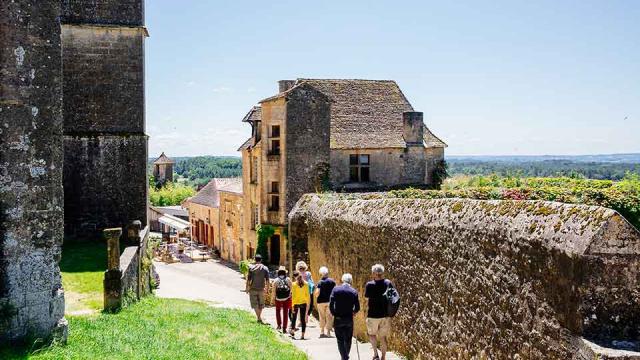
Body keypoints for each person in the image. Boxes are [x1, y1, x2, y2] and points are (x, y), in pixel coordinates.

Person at [365, 264, 393, 360]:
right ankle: (383, 357)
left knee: (372, 334)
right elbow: (392, 297)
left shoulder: (369, 285)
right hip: (385, 315)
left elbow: (367, 299)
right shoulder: (388, 283)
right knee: (383, 337)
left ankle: (376, 354)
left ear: (374, 273)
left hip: (372, 314)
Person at [329, 273, 360, 360]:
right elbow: (357, 307)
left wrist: (333, 313)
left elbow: (331, 304)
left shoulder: (335, 290)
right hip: (349, 319)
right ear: (351, 281)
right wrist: (354, 312)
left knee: (340, 339)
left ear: (342, 280)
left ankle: (344, 357)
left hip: (338, 318)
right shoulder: (353, 291)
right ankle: (345, 356)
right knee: (348, 339)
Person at [245, 254, 269, 323]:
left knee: (255, 304)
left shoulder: (251, 268)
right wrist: (267, 289)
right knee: (261, 304)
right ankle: (259, 318)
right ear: (261, 260)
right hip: (261, 289)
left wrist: (247, 288)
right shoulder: (265, 268)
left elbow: (248, 279)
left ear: (255, 260)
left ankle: (258, 318)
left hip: (252, 289)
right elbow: (267, 280)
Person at [314, 266, 336, 338]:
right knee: (329, 316)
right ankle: (328, 332)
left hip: (321, 302)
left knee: (322, 316)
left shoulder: (320, 282)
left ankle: (322, 331)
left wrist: (316, 295)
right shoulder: (332, 281)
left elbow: (317, 292)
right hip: (330, 301)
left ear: (321, 274)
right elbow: (335, 291)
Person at [289, 271, 310, 340]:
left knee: (294, 318)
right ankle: (302, 335)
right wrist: (308, 304)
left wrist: (292, 306)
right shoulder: (306, 284)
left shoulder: (294, 284)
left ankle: (292, 331)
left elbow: (293, 296)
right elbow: (308, 295)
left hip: (295, 303)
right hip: (303, 303)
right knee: (303, 320)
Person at [272, 266, 292, 333]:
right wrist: (290, 296)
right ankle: (284, 328)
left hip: (278, 298)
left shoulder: (276, 280)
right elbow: (291, 289)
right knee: (285, 312)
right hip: (287, 298)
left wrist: (272, 299)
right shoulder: (288, 279)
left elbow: (274, 291)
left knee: (278, 311)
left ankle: (279, 325)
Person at [296, 261, 315, 326]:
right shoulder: (308, 273)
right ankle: (306, 318)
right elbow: (312, 282)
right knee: (307, 306)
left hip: (300, 292)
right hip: (308, 292)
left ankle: (301, 321)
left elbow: (296, 283)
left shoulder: (298, 274)